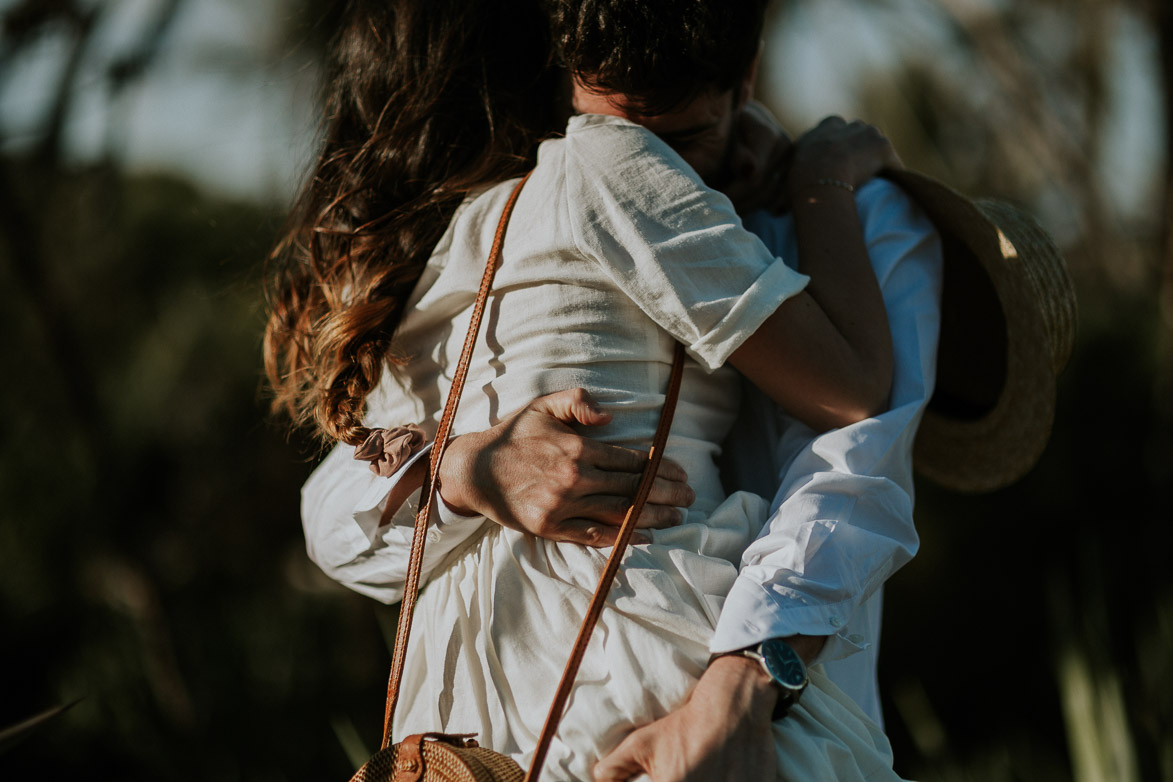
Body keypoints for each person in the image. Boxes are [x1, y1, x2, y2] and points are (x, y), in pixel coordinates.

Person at [275, 0, 935, 779]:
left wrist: (746, 681)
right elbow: (853, 391)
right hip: (632, 673)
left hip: (517, 703)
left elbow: (857, 460)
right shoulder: (570, 182)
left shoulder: (450, 254)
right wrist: (463, 471)